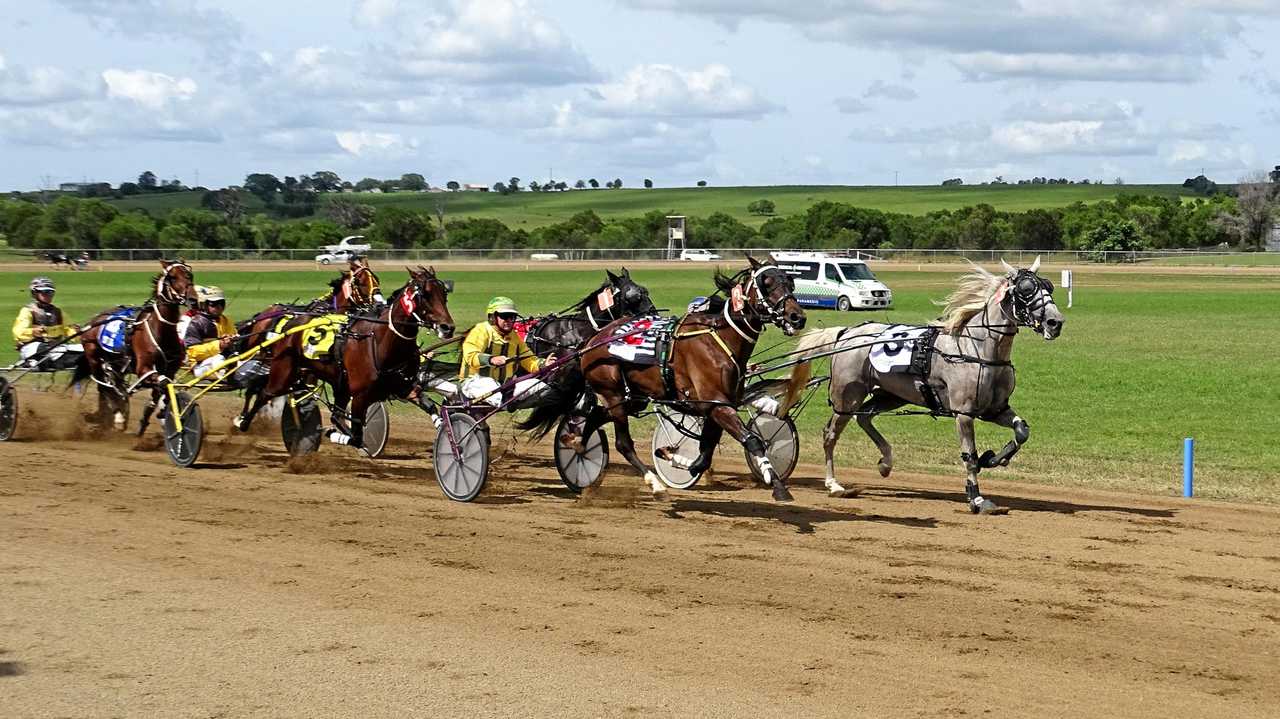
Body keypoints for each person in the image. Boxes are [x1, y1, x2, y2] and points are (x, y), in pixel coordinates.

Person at [458, 296, 551, 408]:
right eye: (505, 316)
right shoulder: (481, 330)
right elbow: (470, 356)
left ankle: (510, 403)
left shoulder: (514, 337)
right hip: (474, 382)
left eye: (512, 317)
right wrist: (491, 359)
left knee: (545, 388)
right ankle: (507, 403)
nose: (510, 321)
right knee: (491, 386)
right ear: (492, 317)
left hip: (505, 387)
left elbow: (528, 359)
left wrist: (544, 364)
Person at [183, 286, 264, 384]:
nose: (219, 307)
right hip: (201, 365)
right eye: (214, 304)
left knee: (259, 364)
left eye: (221, 303)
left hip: (228, 361)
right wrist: (219, 345)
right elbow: (192, 352)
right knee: (220, 360)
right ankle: (231, 376)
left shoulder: (226, 320)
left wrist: (234, 341)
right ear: (204, 304)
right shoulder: (196, 323)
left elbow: (234, 340)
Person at [11, 276, 83, 369]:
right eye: (44, 292)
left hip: (56, 349)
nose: (48, 295)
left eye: (50, 292)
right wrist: (33, 332)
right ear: (34, 293)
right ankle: (32, 362)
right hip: (32, 348)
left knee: (86, 348)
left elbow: (70, 331)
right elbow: (18, 332)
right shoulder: (28, 311)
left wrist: (78, 333)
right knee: (43, 348)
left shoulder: (58, 312)